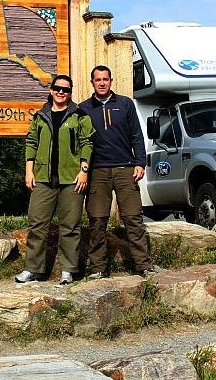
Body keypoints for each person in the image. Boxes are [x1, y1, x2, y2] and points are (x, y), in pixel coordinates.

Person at [15, 74, 95, 285]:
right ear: (51, 90)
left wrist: (84, 170)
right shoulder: (40, 116)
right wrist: (29, 171)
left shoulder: (80, 116)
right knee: (37, 224)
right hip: (43, 177)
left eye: (66, 89)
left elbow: (87, 143)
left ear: (70, 93)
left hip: (72, 179)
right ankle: (33, 269)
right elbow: (31, 142)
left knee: (70, 226)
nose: (61, 92)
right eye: (58, 88)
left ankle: (68, 270)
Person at [80, 65, 156, 278]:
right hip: (97, 171)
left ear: (111, 81)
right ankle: (98, 269)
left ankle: (144, 266)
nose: (102, 83)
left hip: (125, 168)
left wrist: (140, 162)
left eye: (105, 79)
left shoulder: (125, 104)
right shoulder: (84, 109)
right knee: (97, 220)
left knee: (133, 218)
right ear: (92, 82)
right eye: (98, 80)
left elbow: (137, 136)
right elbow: (80, 143)